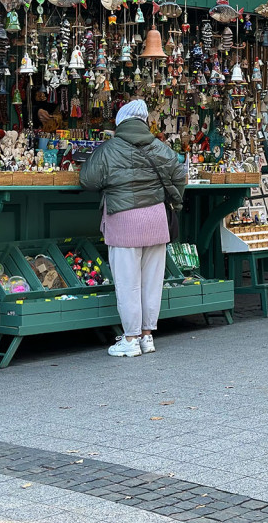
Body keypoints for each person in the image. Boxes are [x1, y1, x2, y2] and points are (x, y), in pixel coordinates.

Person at [80, 99, 186, 356]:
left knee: (128, 284)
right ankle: (147, 336)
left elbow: (88, 179)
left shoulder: (109, 149)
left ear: (120, 122)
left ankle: (130, 339)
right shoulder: (161, 147)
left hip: (125, 220)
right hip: (156, 218)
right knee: (152, 282)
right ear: (143, 122)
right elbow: (180, 176)